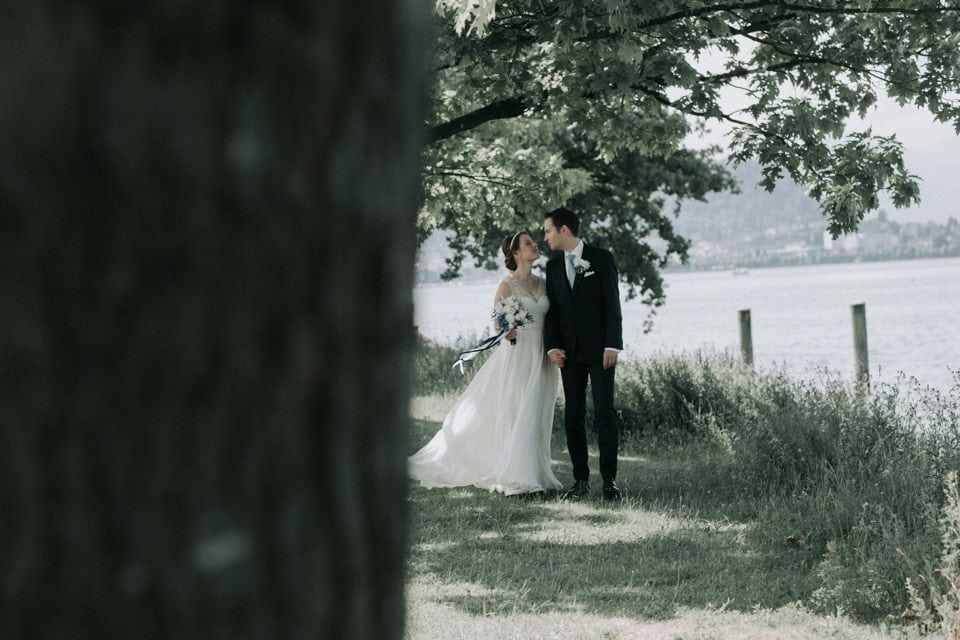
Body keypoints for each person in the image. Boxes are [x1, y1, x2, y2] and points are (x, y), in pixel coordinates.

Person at [408, 232, 563, 496]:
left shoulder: (545, 283)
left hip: (541, 356)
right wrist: (506, 329)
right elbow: (497, 323)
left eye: (534, 242)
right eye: (528, 243)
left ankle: (536, 471)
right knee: (516, 411)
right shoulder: (506, 286)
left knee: (537, 412)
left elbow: (555, 320)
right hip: (517, 355)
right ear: (515, 253)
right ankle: (518, 477)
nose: (535, 245)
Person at [543, 207, 624, 500]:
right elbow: (552, 313)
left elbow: (612, 305)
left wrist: (613, 344)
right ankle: (580, 481)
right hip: (569, 353)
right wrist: (552, 346)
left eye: (548, 230)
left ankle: (610, 481)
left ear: (564, 230)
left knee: (605, 411)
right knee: (573, 415)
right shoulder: (552, 267)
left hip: (601, 350)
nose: (545, 236)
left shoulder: (601, 258)